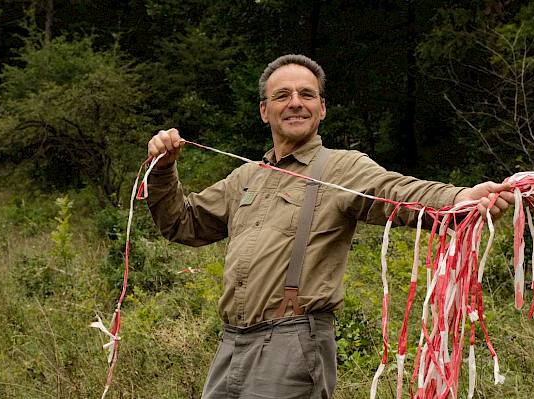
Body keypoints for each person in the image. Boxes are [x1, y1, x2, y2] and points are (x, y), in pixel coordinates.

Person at [145, 54, 514, 399]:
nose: (295, 103)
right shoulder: (246, 177)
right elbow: (182, 224)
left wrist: (460, 198)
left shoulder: (341, 167)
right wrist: (162, 169)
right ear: (264, 111)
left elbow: (397, 191)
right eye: (282, 95)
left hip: (290, 344)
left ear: (321, 108)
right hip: (230, 344)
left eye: (306, 94)